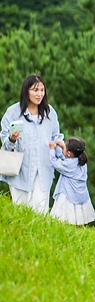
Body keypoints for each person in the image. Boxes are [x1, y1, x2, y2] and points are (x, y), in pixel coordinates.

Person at [1, 75, 63, 213]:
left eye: (42, 90)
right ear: (26, 91)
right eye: (35, 90)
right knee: (20, 211)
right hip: (20, 170)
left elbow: (56, 136)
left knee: (41, 212)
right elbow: (5, 141)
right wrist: (12, 138)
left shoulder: (50, 112)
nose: (39, 94)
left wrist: (62, 150)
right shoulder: (13, 112)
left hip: (44, 169)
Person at [48, 137, 95, 225]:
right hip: (81, 194)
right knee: (78, 217)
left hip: (68, 194)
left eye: (65, 147)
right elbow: (68, 159)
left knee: (64, 217)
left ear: (69, 153)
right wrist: (63, 147)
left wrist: (51, 149)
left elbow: (54, 162)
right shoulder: (81, 161)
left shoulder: (69, 164)